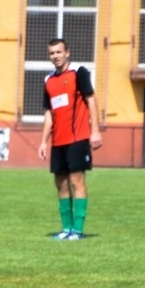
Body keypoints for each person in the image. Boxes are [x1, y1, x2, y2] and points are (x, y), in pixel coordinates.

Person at [35, 36, 102, 240]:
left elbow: (91, 100)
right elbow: (49, 114)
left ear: (67, 53)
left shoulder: (79, 72)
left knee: (76, 181)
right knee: (60, 183)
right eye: (52, 53)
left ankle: (78, 230)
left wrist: (95, 130)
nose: (55, 56)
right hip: (58, 141)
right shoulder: (48, 81)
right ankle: (66, 229)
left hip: (78, 138)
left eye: (58, 52)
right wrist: (43, 141)